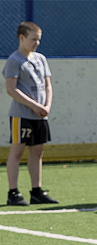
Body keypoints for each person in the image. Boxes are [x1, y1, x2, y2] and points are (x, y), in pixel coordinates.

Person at [3, 21, 58, 206]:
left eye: (39, 39)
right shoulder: (14, 60)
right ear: (22, 38)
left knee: (37, 151)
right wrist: (33, 105)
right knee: (17, 151)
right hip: (22, 115)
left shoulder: (41, 59)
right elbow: (11, 89)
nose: (37, 43)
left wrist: (47, 106)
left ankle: (37, 191)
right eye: (33, 39)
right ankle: (13, 193)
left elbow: (47, 85)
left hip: (41, 115)